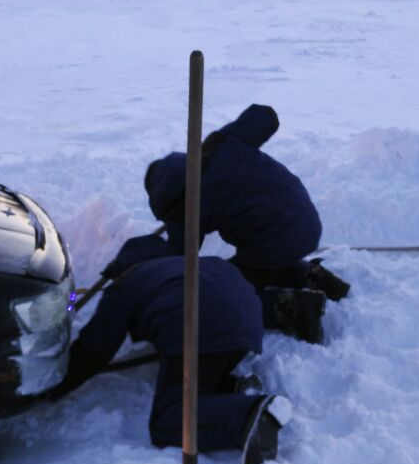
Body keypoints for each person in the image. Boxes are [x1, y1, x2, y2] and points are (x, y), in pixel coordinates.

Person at [46, 235, 289, 464]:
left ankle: (249, 415)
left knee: (169, 420)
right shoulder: (193, 265)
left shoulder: (128, 282)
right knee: (203, 375)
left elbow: (95, 348)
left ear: (123, 266)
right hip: (247, 328)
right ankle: (231, 390)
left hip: (203, 328)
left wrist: (54, 384)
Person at [143, 104, 350, 343]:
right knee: (259, 260)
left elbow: (181, 261)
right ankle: (315, 277)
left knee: (225, 292)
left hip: (276, 237)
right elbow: (263, 117)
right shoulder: (217, 145)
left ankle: (295, 310)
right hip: (305, 218)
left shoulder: (184, 209)